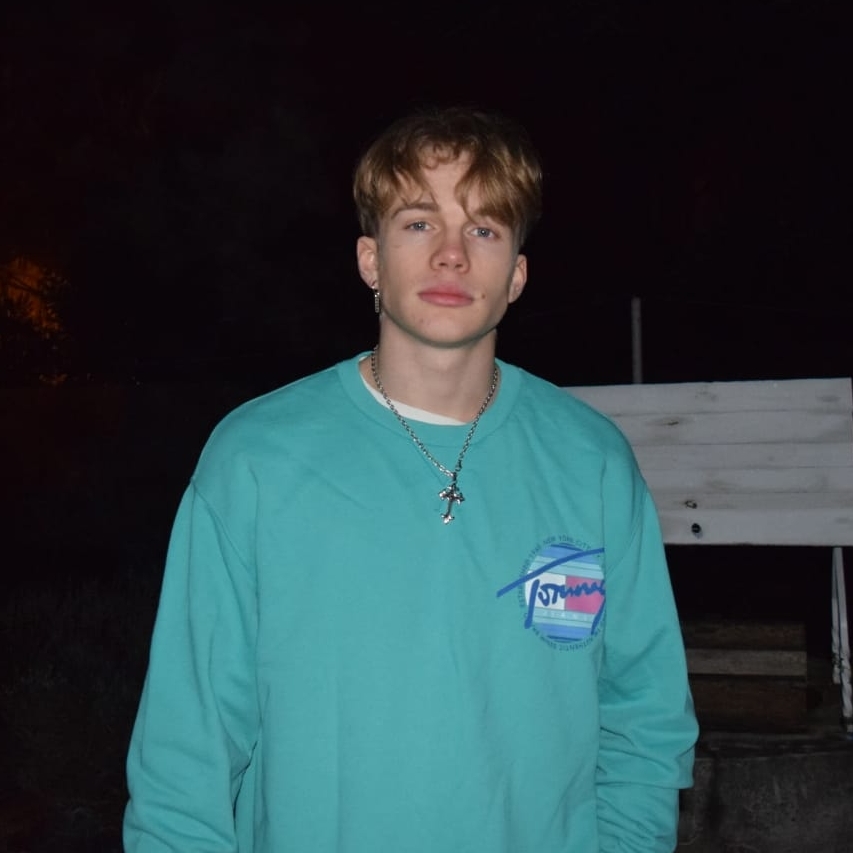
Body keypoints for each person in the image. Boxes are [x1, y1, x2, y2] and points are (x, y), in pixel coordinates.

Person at [123, 105, 698, 852]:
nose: (451, 255)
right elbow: (187, 744)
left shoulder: (592, 462)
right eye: (420, 223)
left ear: (517, 274)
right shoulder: (256, 459)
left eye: (484, 229)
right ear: (371, 259)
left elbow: (643, 716)